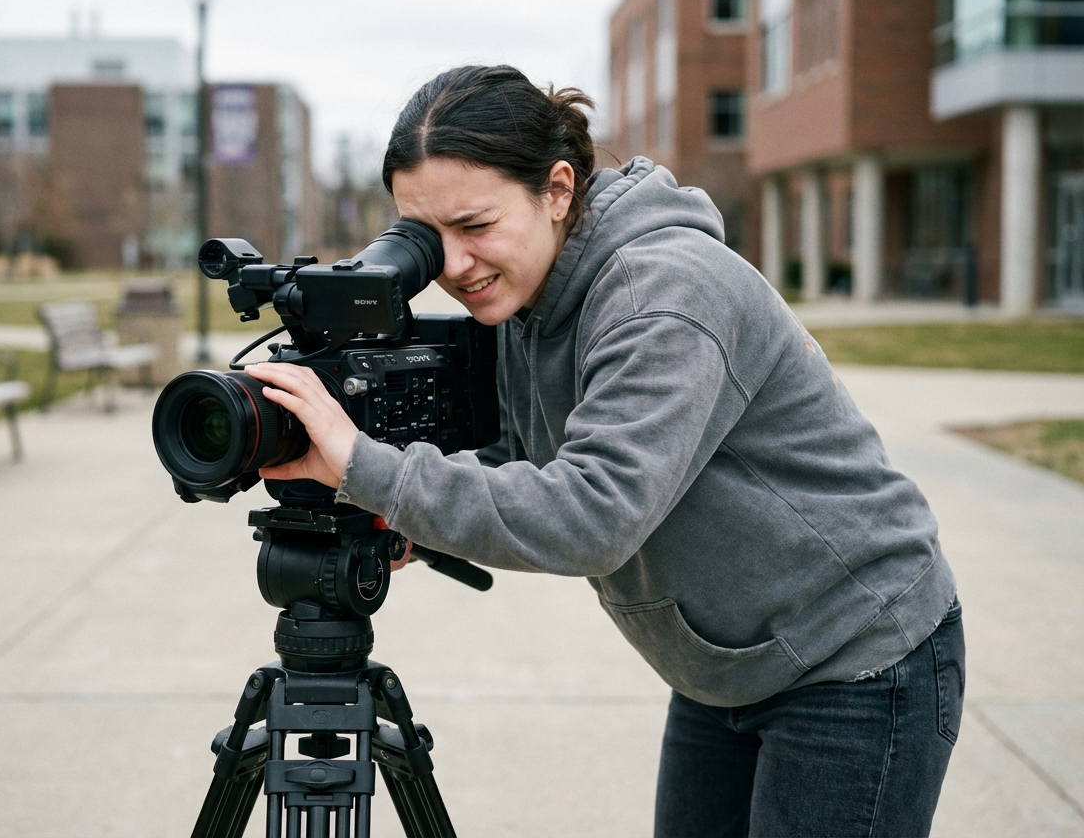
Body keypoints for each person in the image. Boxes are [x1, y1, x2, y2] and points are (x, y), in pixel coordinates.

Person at [244, 65, 965, 837]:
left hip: (853, 654)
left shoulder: (663, 292)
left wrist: (373, 469)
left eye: (475, 226)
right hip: (727, 664)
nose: (452, 267)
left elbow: (592, 513)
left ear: (558, 190)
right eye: (426, 237)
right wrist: (404, 514)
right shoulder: (529, 294)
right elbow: (524, 460)